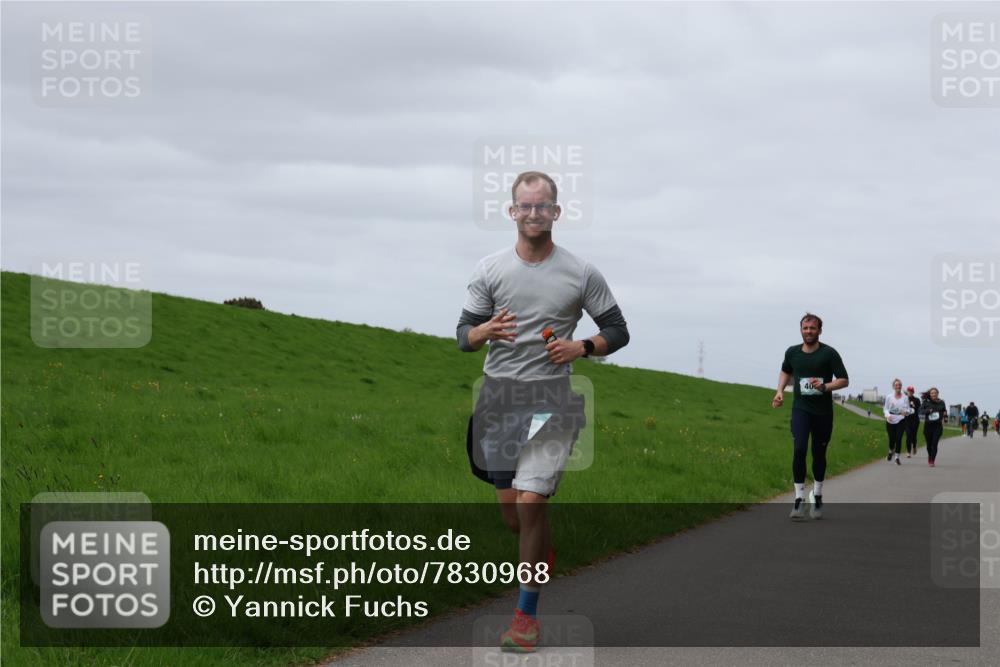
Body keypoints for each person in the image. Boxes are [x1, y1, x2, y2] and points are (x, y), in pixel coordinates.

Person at [457, 171, 629, 652]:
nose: (534, 214)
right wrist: (483, 331)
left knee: (533, 503)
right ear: (512, 212)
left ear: (557, 211)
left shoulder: (581, 272)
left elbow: (617, 329)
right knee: (515, 516)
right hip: (499, 401)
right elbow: (462, 336)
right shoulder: (490, 269)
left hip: (553, 402)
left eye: (543, 206)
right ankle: (540, 550)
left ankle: (525, 618)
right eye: (525, 206)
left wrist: (583, 347)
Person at [772, 313, 849, 520]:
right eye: (805, 328)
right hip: (801, 408)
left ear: (819, 331)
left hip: (823, 412)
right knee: (799, 449)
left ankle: (817, 492)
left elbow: (843, 380)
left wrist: (825, 386)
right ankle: (799, 498)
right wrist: (779, 391)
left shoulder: (829, 354)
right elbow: (785, 372)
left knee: (819, 454)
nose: (808, 332)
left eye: (812, 328)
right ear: (801, 330)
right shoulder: (792, 352)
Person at [883, 379, 910, 465]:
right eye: (896, 385)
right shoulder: (889, 397)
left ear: (901, 387)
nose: (898, 386)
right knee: (892, 439)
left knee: (898, 439)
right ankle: (891, 451)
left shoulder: (905, 398)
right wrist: (888, 415)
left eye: (899, 385)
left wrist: (906, 412)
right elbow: (885, 409)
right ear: (893, 387)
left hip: (901, 420)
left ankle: (897, 457)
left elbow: (908, 409)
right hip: (890, 420)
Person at [920, 387, 947, 466]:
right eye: (932, 393)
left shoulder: (941, 402)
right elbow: (920, 411)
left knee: (934, 443)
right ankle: (930, 456)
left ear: (937, 394)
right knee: (929, 445)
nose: (933, 394)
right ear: (930, 394)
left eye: (935, 393)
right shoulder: (926, 402)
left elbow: (944, 411)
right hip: (928, 426)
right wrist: (928, 411)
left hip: (937, 426)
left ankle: (932, 460)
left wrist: (945, 418)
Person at [904, 385, 921, 458]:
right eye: (909, 391)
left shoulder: (916, 400)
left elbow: (919, 409)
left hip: (915, 420)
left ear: (913, 392)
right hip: (906, 420)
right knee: (908, 436)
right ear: (907, 392)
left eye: (911, 391)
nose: (910, 392)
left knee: (913, 436)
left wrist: (913, 405)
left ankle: (914, 446)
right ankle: (908, 451)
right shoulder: (904, 399)